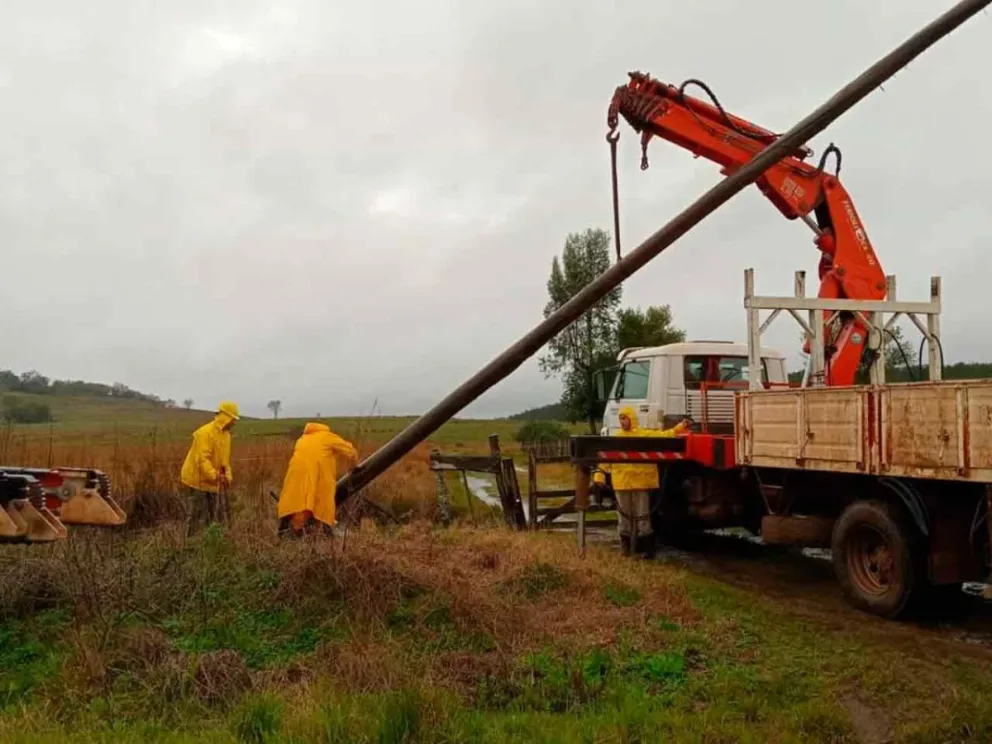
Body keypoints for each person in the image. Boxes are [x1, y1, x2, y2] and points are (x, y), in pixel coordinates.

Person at [592, 405, 690, 554]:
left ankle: (647, 549)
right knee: (623, 517)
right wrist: (599, 476)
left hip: (641, 482)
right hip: (622, 483)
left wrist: (679, 427)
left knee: (642, 516)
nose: (622, 421)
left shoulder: (644, 436)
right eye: (620, 418)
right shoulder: (616, 439)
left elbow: (664, 436)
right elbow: (606, 460)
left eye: (624, 418)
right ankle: (626, 548)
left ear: (631, 418)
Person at [276, 422, 359, 538]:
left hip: (294, 477)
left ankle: (290, 533)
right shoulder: (327, 436)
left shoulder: (302, 440)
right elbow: (350, 451)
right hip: (319, 479)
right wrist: (353, 467)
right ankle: (316, 535)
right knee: (320, 508)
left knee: (297, 505)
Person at [179, 401, 239, 533]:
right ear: (225, 417)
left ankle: (209, 542)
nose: (234, 423)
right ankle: (190, 544)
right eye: (232, 419)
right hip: (196, 480)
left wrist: (228, 477)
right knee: (196, 515)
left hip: (213, 482)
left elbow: (225, 461)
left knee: (212, 517)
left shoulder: (226, 436)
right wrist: (216, 476)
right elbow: (202, 460)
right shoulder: (204, 433)